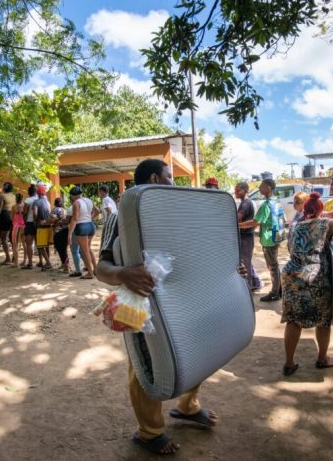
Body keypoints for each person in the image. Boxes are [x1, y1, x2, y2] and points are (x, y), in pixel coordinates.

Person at [95, 159, 219, 456]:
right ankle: (149, 433)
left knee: (195, 351)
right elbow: (101, 268)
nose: (173, 183)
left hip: (182, 297)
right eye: (169, 177)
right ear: (154, 178)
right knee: (145, 364)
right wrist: (124, 274)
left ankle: (188, 407)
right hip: (141, 302)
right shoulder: (121, 215)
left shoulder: (173, 214)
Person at [281, 192, 333, 376]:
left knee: (293, 320)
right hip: (315, 277)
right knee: (323, 320)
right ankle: (322, 358)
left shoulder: (294, 226)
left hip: (291, 275)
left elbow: (290, 249)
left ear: (305, 209)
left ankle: (289, 363)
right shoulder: (326, 223)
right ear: (320, 210)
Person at [238, 178, 284, 302]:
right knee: (274, 265)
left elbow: (255, 222)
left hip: (269, 240)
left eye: (261, 186)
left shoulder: (266, 205)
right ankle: (278, 289)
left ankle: (275, 293)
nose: (259, 189)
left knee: (272, 266)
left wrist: (238, 225)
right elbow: (282, 219)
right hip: (276, 237)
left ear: (268, 188)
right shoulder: (277, 201)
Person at [234, 181, 262, 291]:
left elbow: (237, 218)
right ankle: (256, 282)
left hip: (245, 237)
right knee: (247, 261)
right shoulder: (245, 202)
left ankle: (248, 286)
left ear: (245, 191)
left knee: (245, 262)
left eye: (238, 190)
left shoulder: (245, 204)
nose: (236, 192)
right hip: (247, 236)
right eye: (235, 190)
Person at [67, 186, 96, 279]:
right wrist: (89, 218)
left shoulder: (76, 203)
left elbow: (75, 219)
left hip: (81, 227)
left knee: (84, 251)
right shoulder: (89, 200)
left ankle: (90, 273)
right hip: (91, 225)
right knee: (88, 249)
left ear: (72, 196)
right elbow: (97, 211)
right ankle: (96, 269)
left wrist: (70, 234)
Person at [33, 184, 53, 270]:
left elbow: (35, 213)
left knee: (40, 246)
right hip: (48, 225)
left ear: (37, 193)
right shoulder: (47, 202)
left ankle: (48, 263)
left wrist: (36, 220)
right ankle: (47, 261)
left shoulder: (36, 202)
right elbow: (50, 213)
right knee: (46, 245)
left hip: (41, 226)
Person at [0, 182, 16, 264]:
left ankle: (8, 258)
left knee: (4, 238)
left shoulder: (2, 197)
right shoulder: (14, 196)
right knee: (12, 238)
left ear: (4, 188)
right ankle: (14, 256)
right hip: (13, 216)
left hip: (4, 216)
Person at [21, 185, 38, 269]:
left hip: (30, 223)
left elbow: (24, 212)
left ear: (29, 192)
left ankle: (30, 263)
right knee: (40, 244)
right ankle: (42, 261)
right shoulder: (39, 199)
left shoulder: (28, 200)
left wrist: (23, 221)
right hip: (38, 223)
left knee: (29, 244)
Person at [51, 197, 69, 272]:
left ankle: (65, 266)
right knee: (64, 248)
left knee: (60, 249)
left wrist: (49, 222)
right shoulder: (64, 210)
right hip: (66, 230)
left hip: (58, 231)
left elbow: (54, 219)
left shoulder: (55, 210)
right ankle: (64, 264)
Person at [11, 193, 26, 267]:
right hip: (23, 226)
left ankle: (16, 262)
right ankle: (24, 261)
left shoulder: (14, 207)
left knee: (15, 244)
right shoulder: (24, 206)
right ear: (22, 198)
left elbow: (12, 217)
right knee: (24, 244)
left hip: (16, 227)